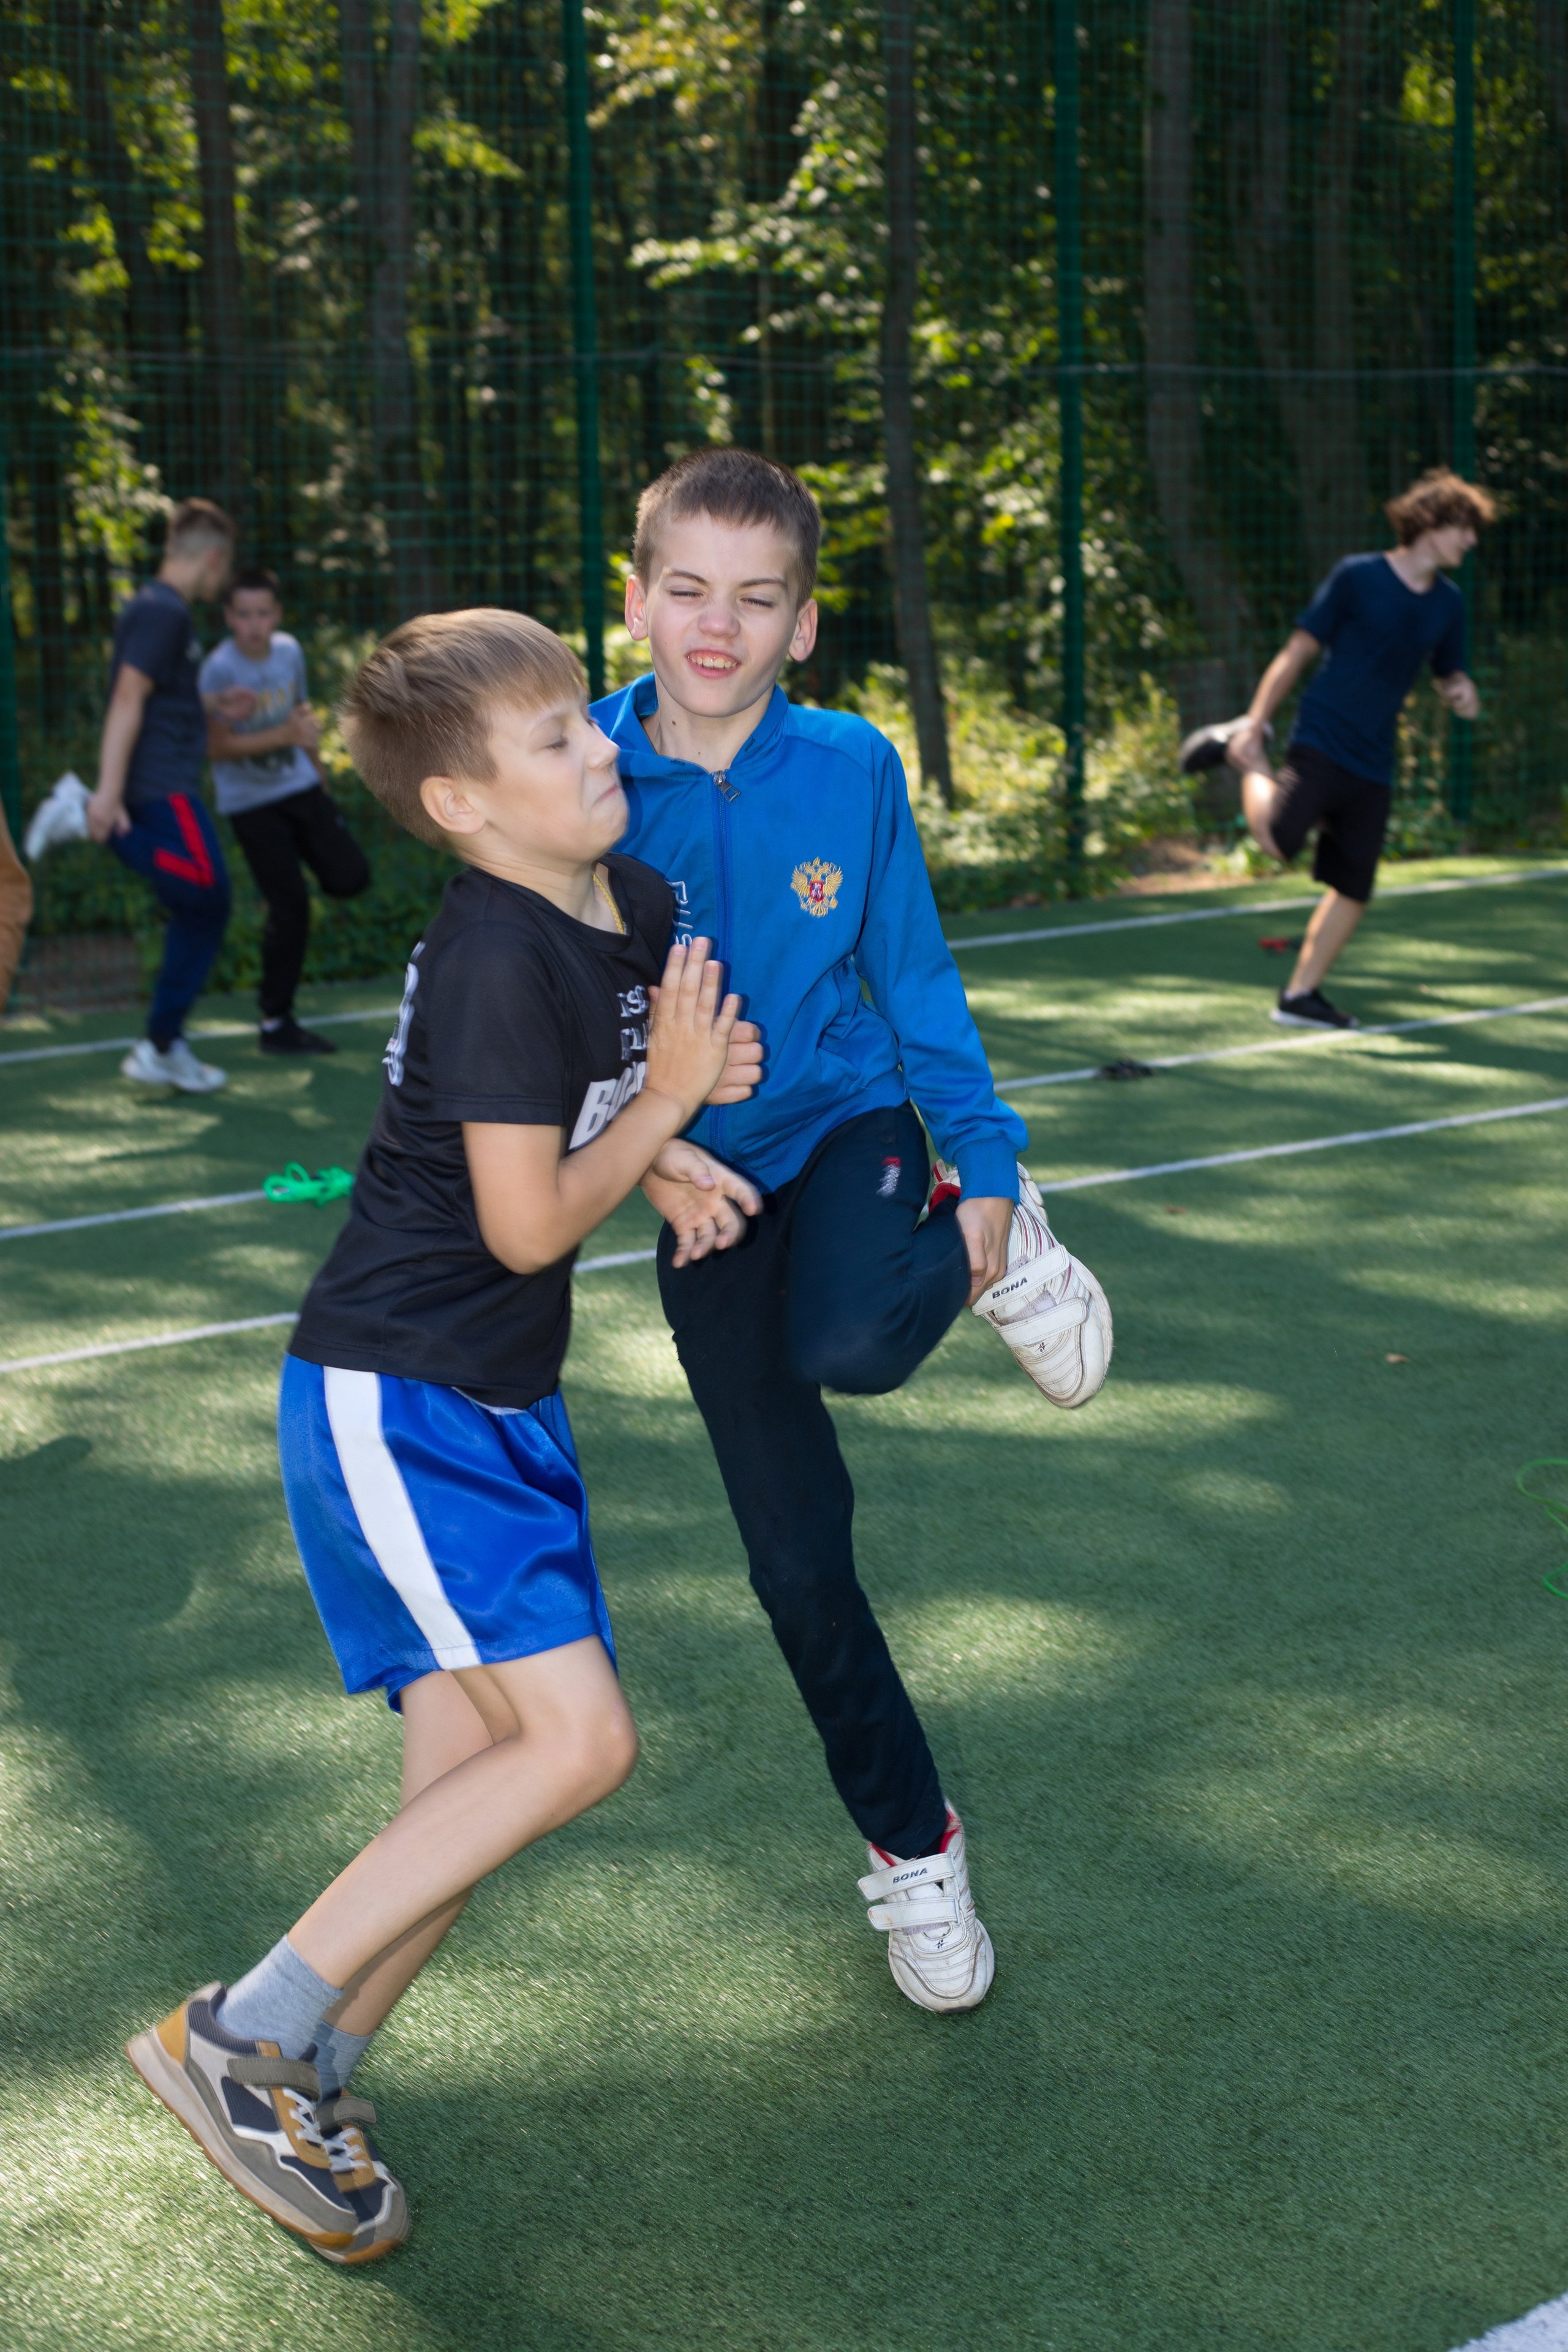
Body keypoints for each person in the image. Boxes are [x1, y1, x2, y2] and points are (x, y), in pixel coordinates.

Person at [127, 608, 763, 2263]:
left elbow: (589, 1115)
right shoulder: (491, 951)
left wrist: (669, 1140)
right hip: (398, 1390)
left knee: (470, 1792)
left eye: (585, 720)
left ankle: (313, 2074)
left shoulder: (630, 902)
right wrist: (674, 1112)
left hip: (487, 1398)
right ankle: (242, 2037)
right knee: (576, 1745)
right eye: (553, 741)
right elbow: (528, 1224)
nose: (599, 748)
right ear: (462, 808)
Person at [594, 447, 1114, 2017]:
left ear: (802, 626)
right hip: (696, 1183)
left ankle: (993, 1248)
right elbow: (547, 1022)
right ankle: (913, 1846)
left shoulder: (852, 765)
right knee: (792, 1563)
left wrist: (991, 1164)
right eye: (684, 588)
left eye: (755, 599)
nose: (714, 624)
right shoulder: (582, 776)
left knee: (852, 1339)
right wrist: (652, 1153)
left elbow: (916, 976)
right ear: (632, 599)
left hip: (848, 1125)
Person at [1180, 467, 1494, 1030]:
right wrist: (1257, 722)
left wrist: (1462, 693)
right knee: (1278, 840)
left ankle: (1300, 996)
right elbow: (1297, 650)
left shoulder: (1448, 604)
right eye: (1464, 527)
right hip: (1322, 735)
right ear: (1430, 521)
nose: (1472, 541)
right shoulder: (1357, 576)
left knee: (1354, 886)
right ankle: (1245, 755)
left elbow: (1451, 675)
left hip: (1374, 758)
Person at [24, 498, 237, 1091]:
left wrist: (213, 705)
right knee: (207, 892)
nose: (222, 579)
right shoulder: (164, 612)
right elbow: (127, 697)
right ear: (213, 556)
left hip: (164, 780)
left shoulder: (158, 609)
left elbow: (160, 696)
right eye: (225, 567)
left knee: (204, 906)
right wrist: (109, 794)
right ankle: (88, 816)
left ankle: (162, 1043)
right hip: (159, 785)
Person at [200, 567, 372, 1055]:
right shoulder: (218, 670)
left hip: (299, 786)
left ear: (276, 614)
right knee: (290, 905)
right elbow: (217, 747)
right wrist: (283, 739)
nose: (254, 624)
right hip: (251, 804)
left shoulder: (289, 651)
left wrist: (317, 772)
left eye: (263, 613)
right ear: (229, 617)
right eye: (244, 614)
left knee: (350, 876)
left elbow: (300, 715)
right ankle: (276, 1023)